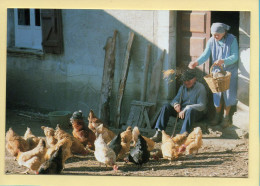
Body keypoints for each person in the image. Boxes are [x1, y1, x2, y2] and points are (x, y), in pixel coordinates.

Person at [188, 22, 238, 128]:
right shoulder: (211, 41)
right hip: (217, 72)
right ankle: (217, 116)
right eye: (213, 34)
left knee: (228, 95)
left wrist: (224, 61)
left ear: (224, 32)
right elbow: (205, 55)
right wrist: (196, 62)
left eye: (217, 34)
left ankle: (226, 117)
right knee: (217, 95)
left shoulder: (232, 40)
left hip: (229, 71)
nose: (215, 37)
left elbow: (235, 56)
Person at [150, 69, 207, 142]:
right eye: (185, 82)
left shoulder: (200, 87)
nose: (186, 83)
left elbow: (202, 105)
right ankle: (159, 132)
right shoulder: (183, 87)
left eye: (189, 81)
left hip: (196, 112)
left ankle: (182, 136)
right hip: (182, 112)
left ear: (194, 79)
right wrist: (176, 104)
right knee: (166, 106)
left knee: (190, 110)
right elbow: (175, 99)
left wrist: (187, 107)